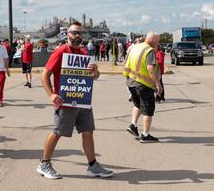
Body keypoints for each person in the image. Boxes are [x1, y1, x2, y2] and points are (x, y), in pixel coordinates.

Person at [37, 22, 114, 179]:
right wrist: (51, 94)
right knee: (58, 132)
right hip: (65, 102)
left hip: (83, 100)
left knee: (88, 132)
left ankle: (93, 166)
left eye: (80, 33)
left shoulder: (85, 53)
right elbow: (44, 74)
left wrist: (96, 72)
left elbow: (94, 77)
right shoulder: (60, 51)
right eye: (74, 33)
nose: (78, 36)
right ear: (68, 34)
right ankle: (44, 164)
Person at [124, 32, 162, 143]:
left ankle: (133, 125)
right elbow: (150, 68)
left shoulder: (135, 47)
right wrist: (157, 84)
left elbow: (127, 62)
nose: (158, 43)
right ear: (153, 41)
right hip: (143, 84)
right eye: (158, 40)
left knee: (138, 105)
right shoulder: (149, 50)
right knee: (148, 110)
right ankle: (145, 135)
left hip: (131, 82)